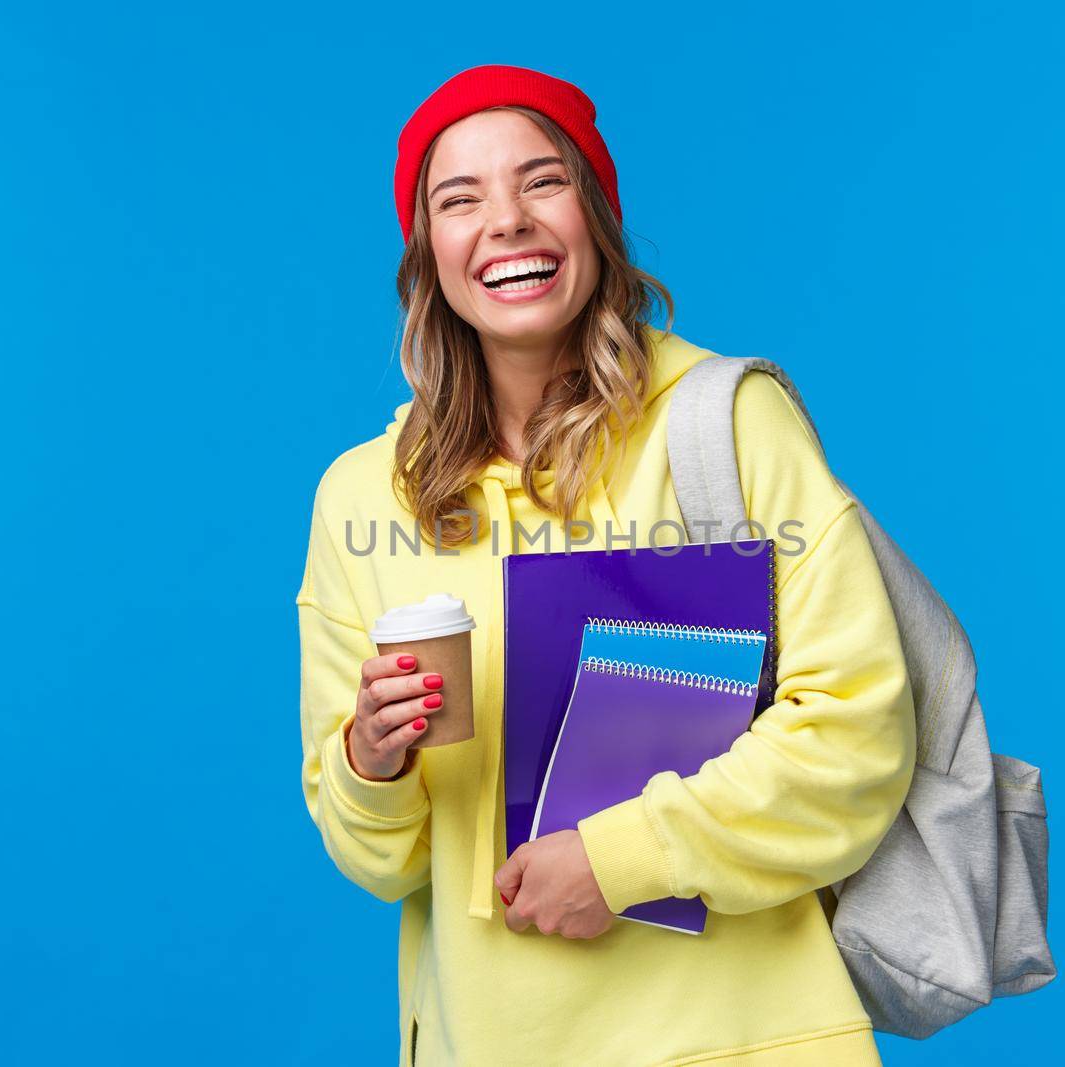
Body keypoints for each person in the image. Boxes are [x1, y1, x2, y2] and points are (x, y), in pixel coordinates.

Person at [297, 64, 916, 1066]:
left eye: (541, 182)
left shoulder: (723, 426)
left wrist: (619, 859)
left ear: (596, 216)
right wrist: (372, 762)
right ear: (428, 256)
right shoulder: (363, 497)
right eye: (460, 198)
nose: (505, 220)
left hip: (747, 1036)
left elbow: (855, 734)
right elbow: (379, 858)